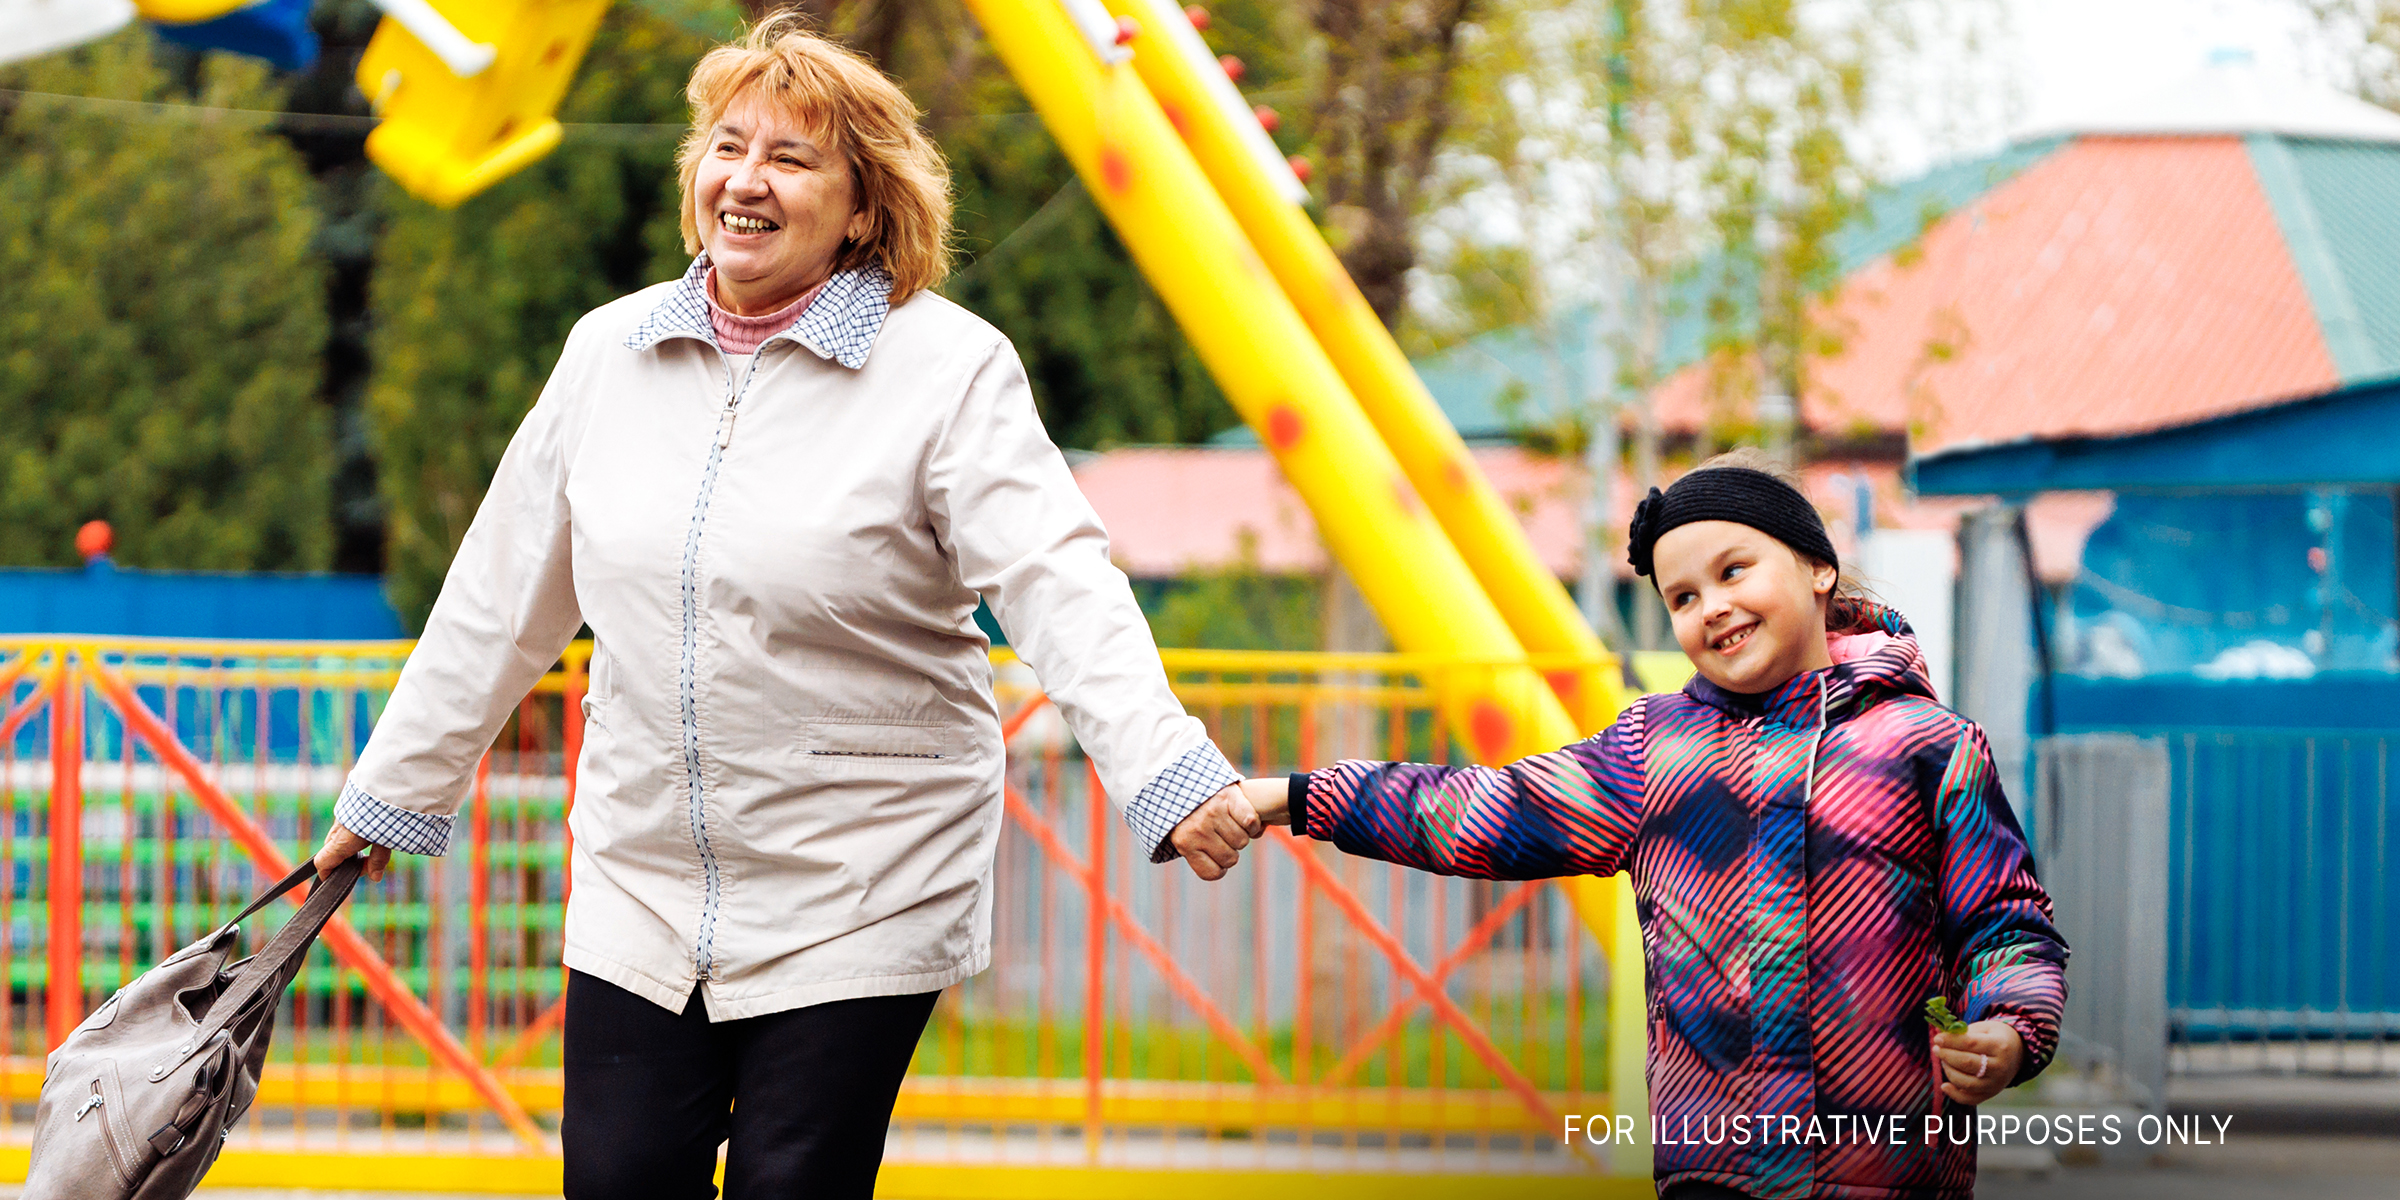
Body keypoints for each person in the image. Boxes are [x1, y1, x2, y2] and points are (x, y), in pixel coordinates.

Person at [309, 16, 1263, 1199]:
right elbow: (498, 598)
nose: (743, 180)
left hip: (860, 879)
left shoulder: (948, 370)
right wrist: (393, 792)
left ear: (864, 206)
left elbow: (1058, 582)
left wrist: (1166, 772)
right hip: (644, 875)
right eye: (725, 145)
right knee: (617, 1181)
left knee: (791, 1184)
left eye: (791, 158)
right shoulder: (609, 355)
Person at [1237, 451, 2068, 1200]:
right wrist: (1296, 796)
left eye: (1734, 571)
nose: (1713, 607)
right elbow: (1482, 810)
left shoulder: (1928, 745)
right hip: (1714, 1172)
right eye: (1683, 596)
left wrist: (2007, 1027)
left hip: (1888, 1173)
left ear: (1818, 568)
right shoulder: (1651, 752)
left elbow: (2003, 924)